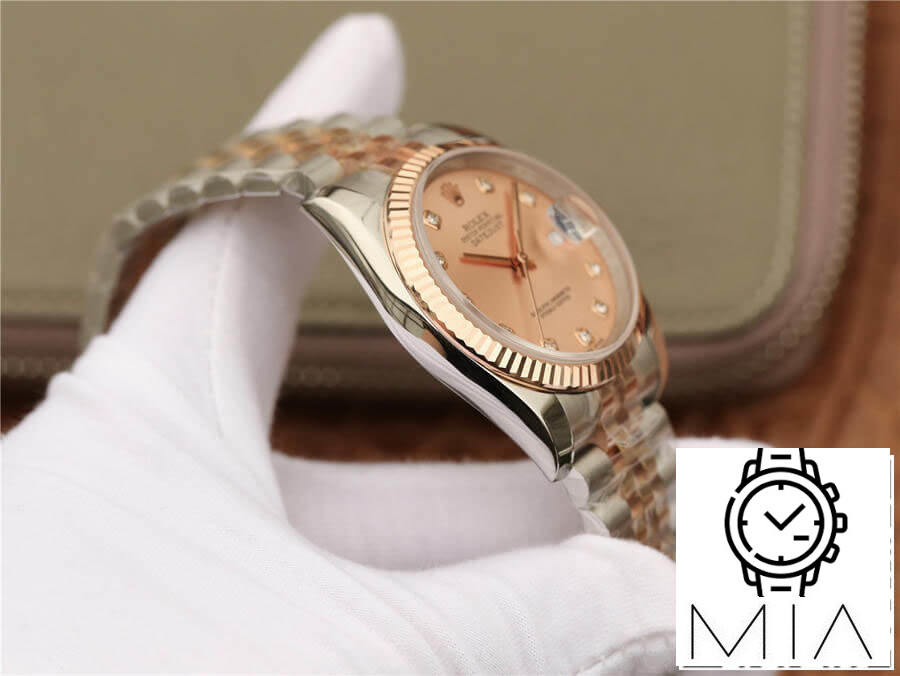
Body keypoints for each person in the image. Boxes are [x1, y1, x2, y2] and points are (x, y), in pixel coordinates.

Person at [2, 14, 758, 674]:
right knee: (755, 540)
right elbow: (785, 596)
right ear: (418, 312)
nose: (518, 262)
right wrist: (770, 603)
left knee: (751, 540)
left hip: (600, 353)